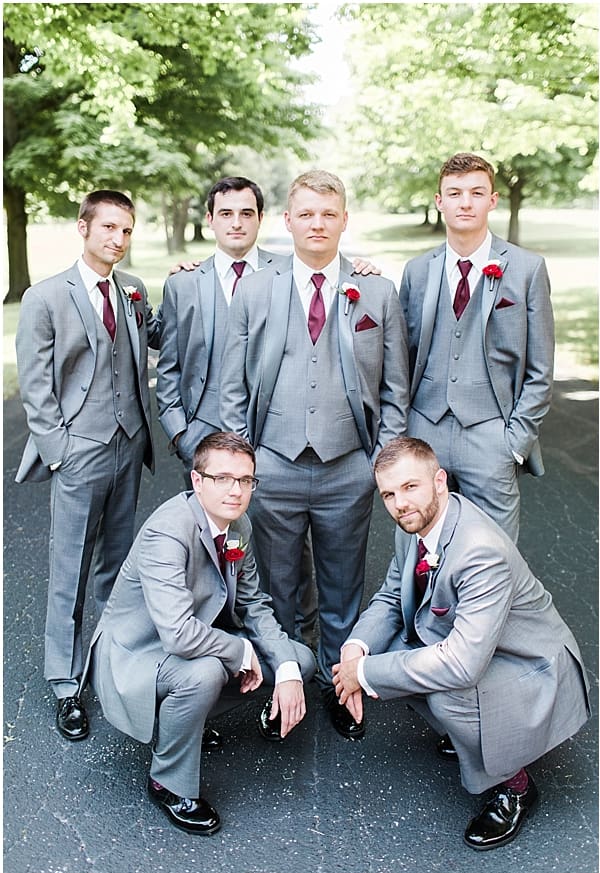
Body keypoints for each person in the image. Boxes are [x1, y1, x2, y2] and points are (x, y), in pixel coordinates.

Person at [220, 169, 409, 741]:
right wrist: (243, 460)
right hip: (272, 462)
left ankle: (338, 686)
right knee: (277, 588)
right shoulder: (257, 287)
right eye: (306, 213)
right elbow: (232, 383)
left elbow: (394, 388)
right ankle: (287, 680)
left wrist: (383, 462)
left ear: (345, 219)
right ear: (288, 220)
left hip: (348, 464)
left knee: (343, 585)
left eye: (329, 214)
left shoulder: (375, 290)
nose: (318, 224)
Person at [332, 437, 590, 850]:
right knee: (395, 653)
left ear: (439, 481)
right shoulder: (414, 525)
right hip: (479, 648)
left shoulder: (479, 550)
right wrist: (356, 649)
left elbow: (463, 666)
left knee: (446, 694)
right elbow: (390, 598)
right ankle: (476, 738)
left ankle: (516, 788)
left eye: (410, 487)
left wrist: (361, 675)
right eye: (389, 494)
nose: (400, 503)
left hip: (532, 665)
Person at [88, 432, 316, 835]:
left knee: (299, 661)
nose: (236, 490)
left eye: (245, 480)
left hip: (199, 640)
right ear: (197, 481)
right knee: (206, 672)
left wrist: (286, 673)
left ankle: (195, 721)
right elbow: (176, 634)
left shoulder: (238, 525)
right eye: (223, 478)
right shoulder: (167, 533)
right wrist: (242, 652)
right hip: (139, 652)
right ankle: (167, 782)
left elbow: (253, 604)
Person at [15, 189, 155, 741]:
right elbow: (36, 386)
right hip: (80, 452)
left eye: (126, 230)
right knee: (70, 570)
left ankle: (114, 668)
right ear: (83, 227)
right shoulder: (46, 297)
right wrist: (61, 452)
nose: (117, 239)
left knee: (119, 571)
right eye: (108, 228)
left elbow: (155, 338)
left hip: (128, 447)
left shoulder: (132, 292)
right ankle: (65, 683)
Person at [397, 152, 554, 543]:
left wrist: (514, 442)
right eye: (454, 193)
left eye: (476, 192)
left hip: (491, 435)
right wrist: (403, 434)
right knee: (418, 552)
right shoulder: (417, 272)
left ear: (493, 200)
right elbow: (399, 360)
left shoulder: (526, 268)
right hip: (424, 431)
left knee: (495, 555)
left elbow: (541, 369)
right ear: (440, 202)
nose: (465, 202)